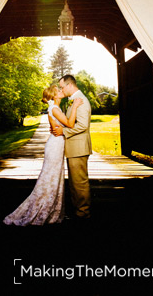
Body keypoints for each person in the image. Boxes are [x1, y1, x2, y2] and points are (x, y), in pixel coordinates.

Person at [3, 84, 82, 226]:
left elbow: (63, 125)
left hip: (56, 144)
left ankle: (53, 211)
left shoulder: (54, 108)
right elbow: (70, 124)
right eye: (58, 90)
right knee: (50, 177)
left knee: (54, 177)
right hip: (55, 146)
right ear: (54, 96)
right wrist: (75, 106)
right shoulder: (55, 109)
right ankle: (44, 209)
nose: (61, 91)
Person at [51, 74, 92, 220]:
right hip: (74, 148)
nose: (62, 90)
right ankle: (78, 211)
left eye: (62, 87)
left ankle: (83, 213)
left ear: (69, 85)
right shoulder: (74, 100)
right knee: (75, 183)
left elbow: (82, 125)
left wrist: (64, 131)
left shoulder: (81, 100)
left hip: (79, 148)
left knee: (80, 183)